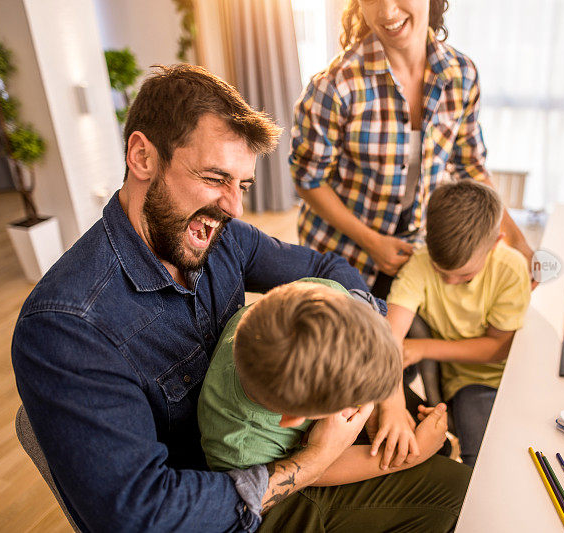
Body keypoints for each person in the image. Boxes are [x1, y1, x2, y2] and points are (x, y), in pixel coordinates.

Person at [12, 64, 470, 532]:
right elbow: (145, 515)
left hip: (286, 434)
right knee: (458, 500)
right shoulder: (66, 327)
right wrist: (315, 459)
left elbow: (328, 271)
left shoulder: (216, 234)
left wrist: (385, 392)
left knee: (459, 480)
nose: (234, 207)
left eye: (243, 184)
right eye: (215, 178)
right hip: (226, 505)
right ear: (142, 157)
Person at [290, 0, 534, 299]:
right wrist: (372, 241)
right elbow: (309, 181)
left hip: (415, 245)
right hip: (341, 249)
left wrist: (516, 238)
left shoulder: (462, 75)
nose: (388, 12)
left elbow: (470, 167)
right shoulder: (333, 87)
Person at [198, 278, 448, 485]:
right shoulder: (241, 450)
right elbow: (310, 471)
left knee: (439, 446)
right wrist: (407, 458)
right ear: (294, 419)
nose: (363, 406)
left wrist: (390, 405)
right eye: (356, 404)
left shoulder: (323, 297)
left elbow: (377, 329)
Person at [386, 181, 532, 466]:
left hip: (515, 375)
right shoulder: (420, 264)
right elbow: (388, 337)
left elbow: (497, 349)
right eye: (442, 273)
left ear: (496, 242)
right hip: (470, 383)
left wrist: (422, 347)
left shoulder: (511, 268)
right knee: (481, 462)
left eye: (465, 275)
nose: (451, 282)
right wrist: (392, 406)